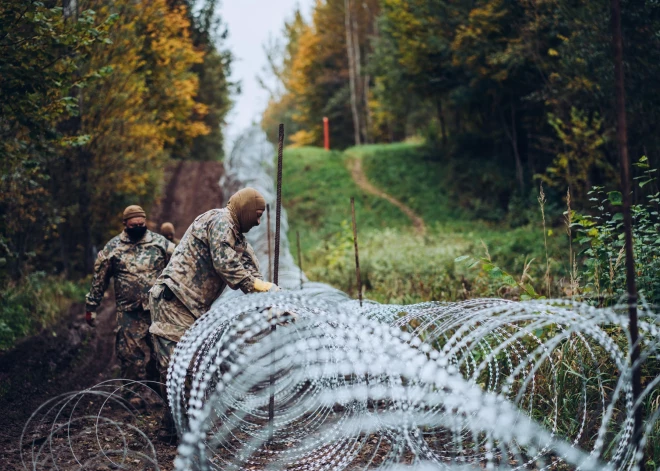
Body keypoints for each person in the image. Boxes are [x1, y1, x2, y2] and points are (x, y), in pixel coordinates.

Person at [149, 188, 278, 441]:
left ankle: (173, 429)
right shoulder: (220, 221)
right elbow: (225, 264)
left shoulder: (237, 236)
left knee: (190, 368)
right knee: (180, 369)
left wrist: (272, 302)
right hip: (173, 300)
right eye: (257, 214)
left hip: (191, 308)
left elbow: (252, 270)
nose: (259, 221)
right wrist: (257, 286)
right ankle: (184, 434)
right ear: (246, 209)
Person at [85, 205, 175, 384]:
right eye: (134, 225)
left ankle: (156, 385)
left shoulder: (161, 244)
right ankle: (132, 395)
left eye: (141, 223)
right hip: (129, 312)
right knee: (130, 356)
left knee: (163, 354)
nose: (138, 227)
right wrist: (91, 307)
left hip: (157, 309)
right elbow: (99, 279)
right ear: (125, 224)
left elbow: (178, 269)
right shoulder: (113, 247)